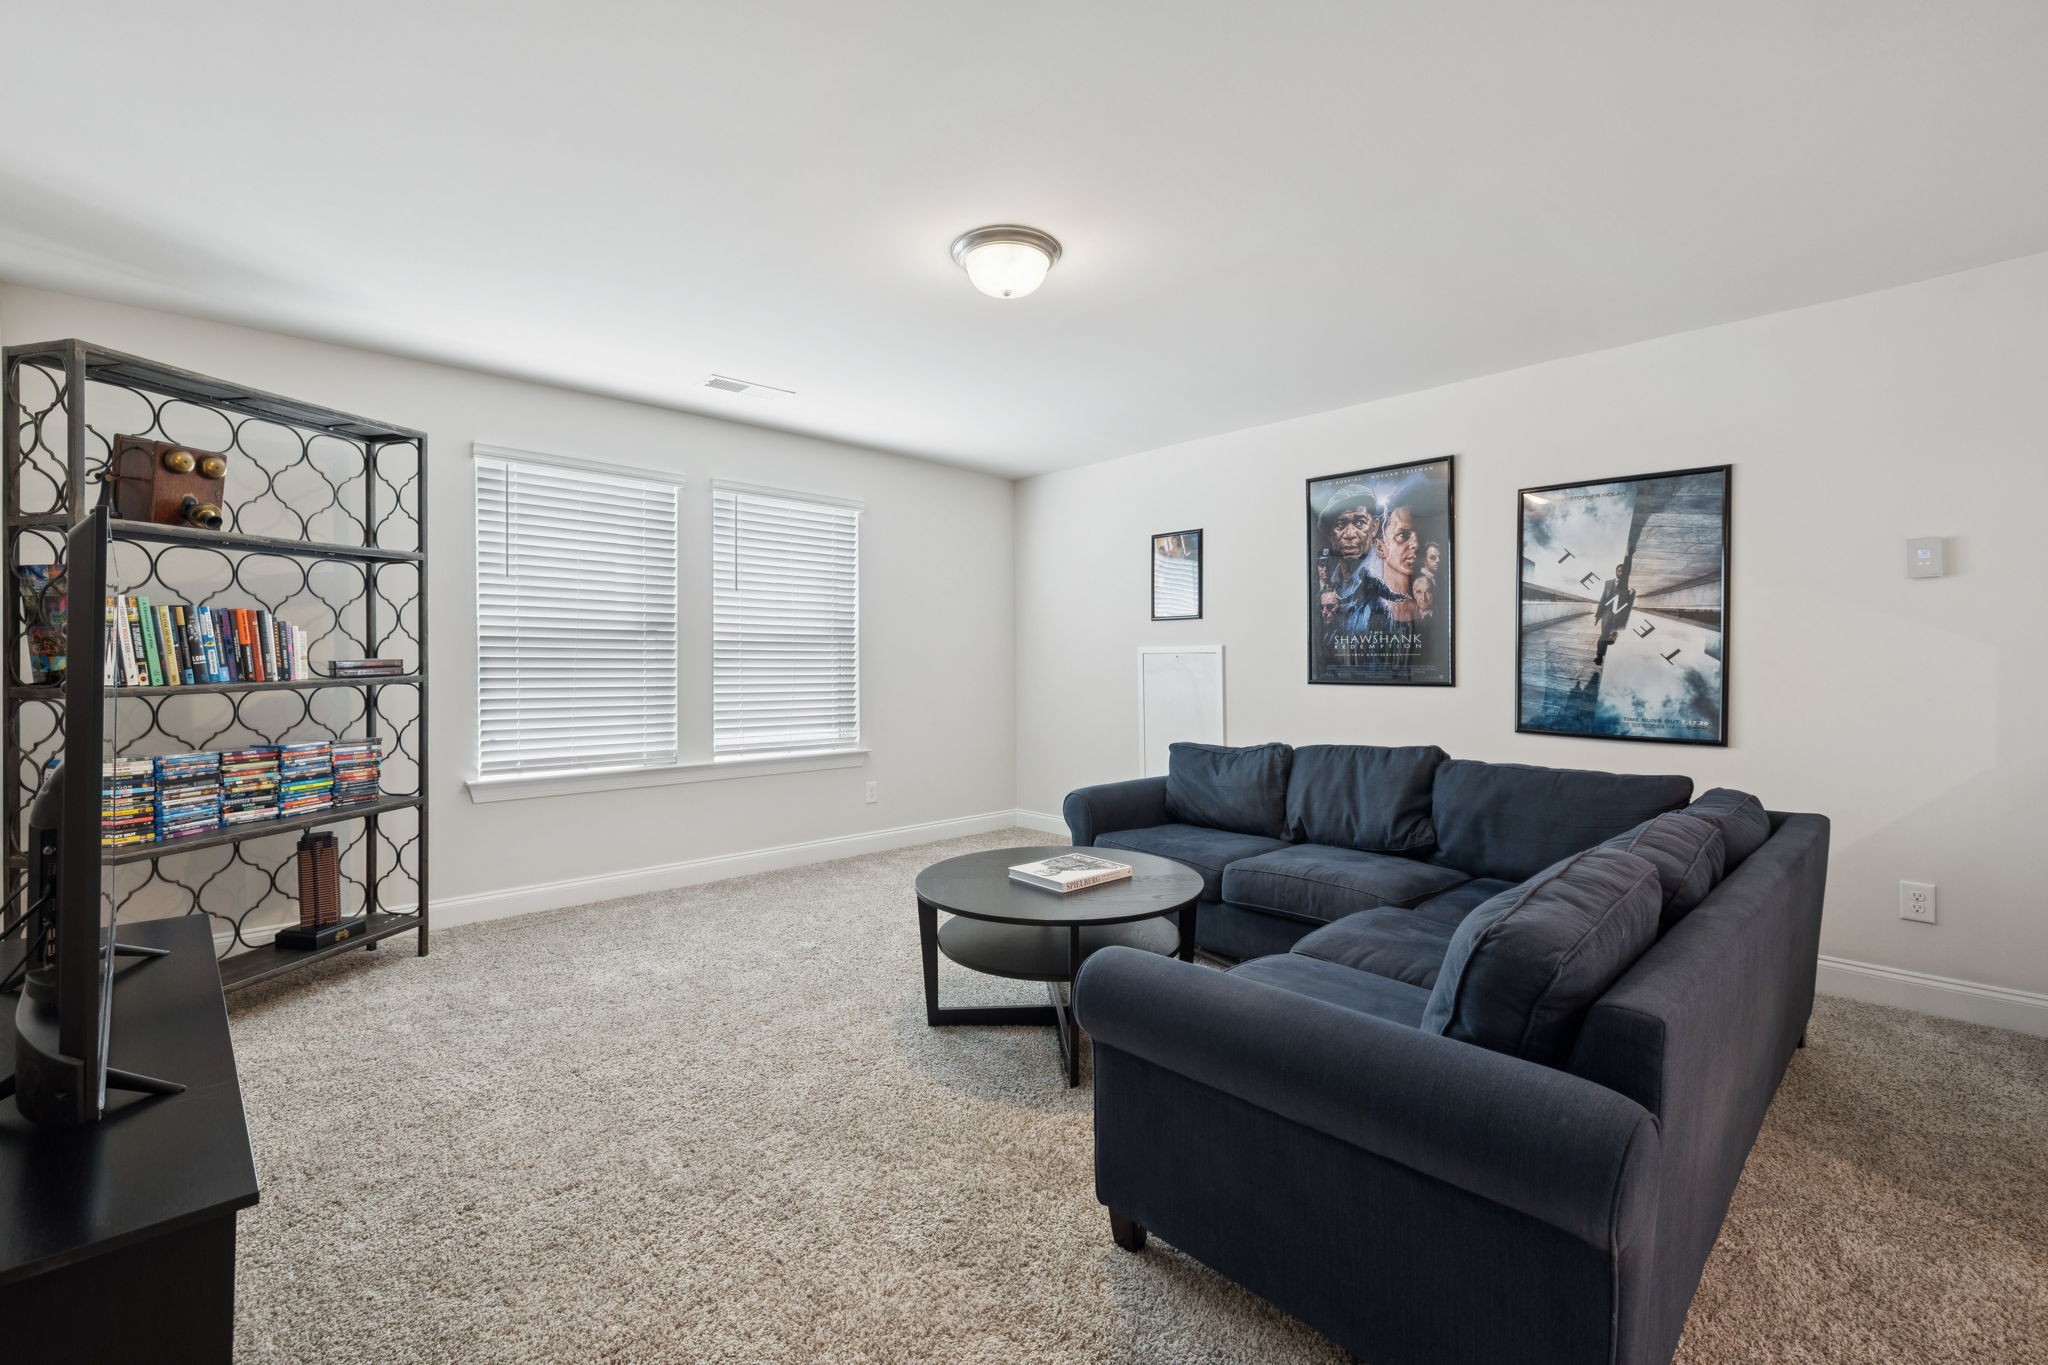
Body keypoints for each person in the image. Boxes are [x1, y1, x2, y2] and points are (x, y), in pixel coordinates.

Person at [1313, 485, 1400, 670]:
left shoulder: (1384, 582)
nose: (1350, 534)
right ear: (1331, 534)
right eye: (1340, 524)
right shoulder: (1330, 585)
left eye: (1360, 522)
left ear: (1375, 526)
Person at [1594, 560, 1635, 666]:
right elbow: (1603, 599)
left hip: (1619, 616)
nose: (1621, 573)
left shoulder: (1626, 586)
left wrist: (1632, 595)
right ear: (1616, 571)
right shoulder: (1608, 583)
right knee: (1604, 635)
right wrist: (1598, 615)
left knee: (1612, 638)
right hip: (1607, 614)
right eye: (1619, 571)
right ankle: (1599, 656)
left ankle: (1609, 652)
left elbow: (1628, 605)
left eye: (1623, 571)